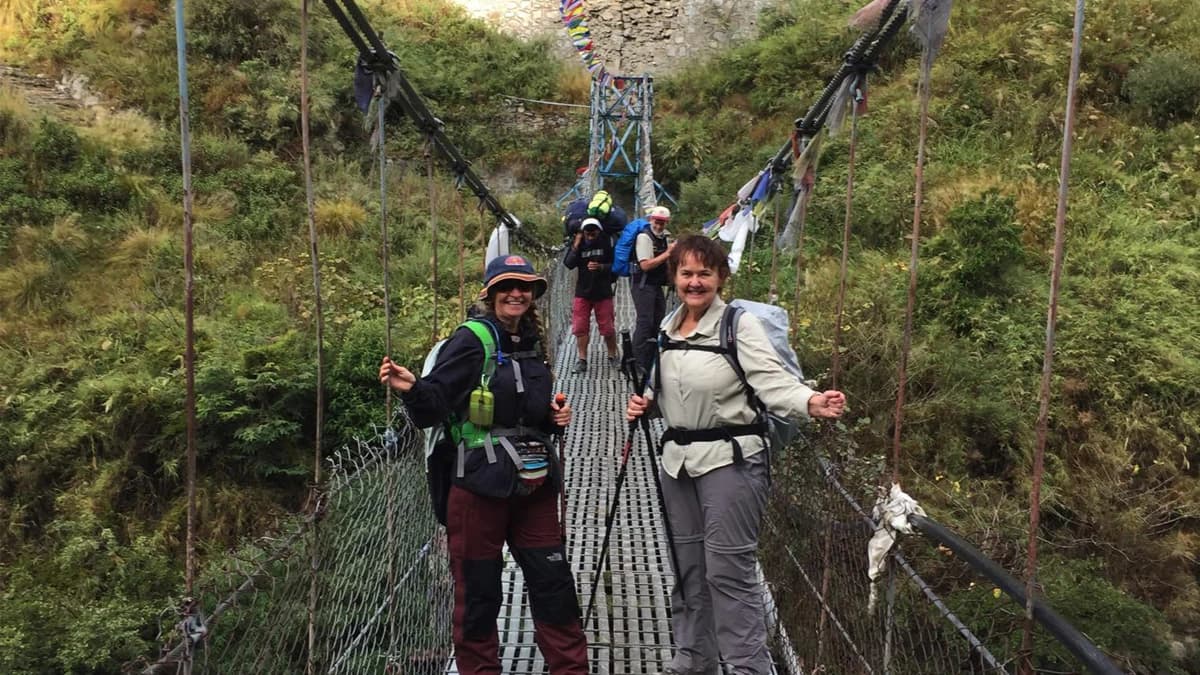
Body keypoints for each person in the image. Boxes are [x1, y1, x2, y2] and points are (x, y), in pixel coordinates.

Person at [625, 235, 846, 675]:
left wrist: (810, 401)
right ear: (675, 277)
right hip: (678, 463)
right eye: (686, 273)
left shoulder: (738, 325)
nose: (694, 282)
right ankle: (694, 658)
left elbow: (771, 379)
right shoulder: (670, 327)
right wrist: (648, 402)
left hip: (732, 460)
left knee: (727, 571)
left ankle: (748, 667)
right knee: (689, 568)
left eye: (704, 273)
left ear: (721, 277)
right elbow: (668, 382)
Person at [379, 254, 589, 675]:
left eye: (525, 286)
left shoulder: (531, 339)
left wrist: (552, 417)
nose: (517, 293)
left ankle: (571, 669)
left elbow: (526, 409)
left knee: (554, 585)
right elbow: (433, 407)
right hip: (478, 488)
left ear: (533, 295)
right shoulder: (471, 340)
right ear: (490, 294)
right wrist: (413, 389)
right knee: (478, 594)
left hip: (533, 483)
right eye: (507, 286)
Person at [563, 217, 618, 373]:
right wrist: (576, 242)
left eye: (593, 231)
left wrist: (601, 267)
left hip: (603, 292)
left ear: (599, 231)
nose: (590, 234)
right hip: (583, 292)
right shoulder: (578, 244)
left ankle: (613, 355)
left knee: (607, 328)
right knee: (580, 327)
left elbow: (616, 266)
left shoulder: (607, 242)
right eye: (587, 231)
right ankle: (582, 359)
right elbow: (568, 264)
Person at [630, 205, 674, 377]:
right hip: (642, 284)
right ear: (651, 220)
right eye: (657, 221)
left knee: (658, 321)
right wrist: (668, 253)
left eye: (663, 222)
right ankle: (637, 362)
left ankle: (651, 359)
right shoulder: (644, 237)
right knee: (645, 321)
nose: (659, 225)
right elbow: (645, 265)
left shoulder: (665, 237)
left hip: (654, 285)